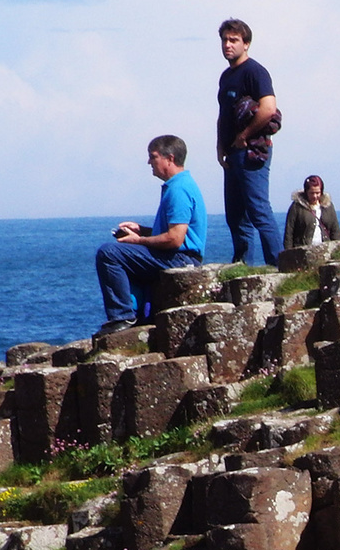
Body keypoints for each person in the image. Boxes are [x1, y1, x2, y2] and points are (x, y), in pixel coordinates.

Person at [93, 135, 207, 336]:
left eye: (153, 157)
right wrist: (142, 230)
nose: (149, 162)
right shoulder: (179, 185)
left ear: (169, 159)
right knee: (124, 255)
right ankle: (136, 314)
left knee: (108, 253)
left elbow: (175, 239)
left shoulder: (178, 190)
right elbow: (175, 232)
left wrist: (138, 241)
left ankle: (123, 316)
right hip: (180, 256)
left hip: (182, 259)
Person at [216, 18, 282, 265]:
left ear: (246, 44)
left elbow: (268, 108)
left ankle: (277, 264)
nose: (227, 45)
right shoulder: (226, 77)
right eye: (224, 40)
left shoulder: (255, 71)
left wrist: (244, 136)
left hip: (253, 151)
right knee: (235, 216)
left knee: (258, 210)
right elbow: (223, 113)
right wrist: (221, 145)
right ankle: (242, 265)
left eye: (233, 40)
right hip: (232, 153)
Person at [283, 175, 340, 248]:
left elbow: (335, 230)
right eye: (312, 193)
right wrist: (288, 254)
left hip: (325, 249)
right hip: (302, 251)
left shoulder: (328, 206)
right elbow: (289, 232)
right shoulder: (296, 207)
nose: (315, 196)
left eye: (317, 193)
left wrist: (337, 249)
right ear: (306, 192)